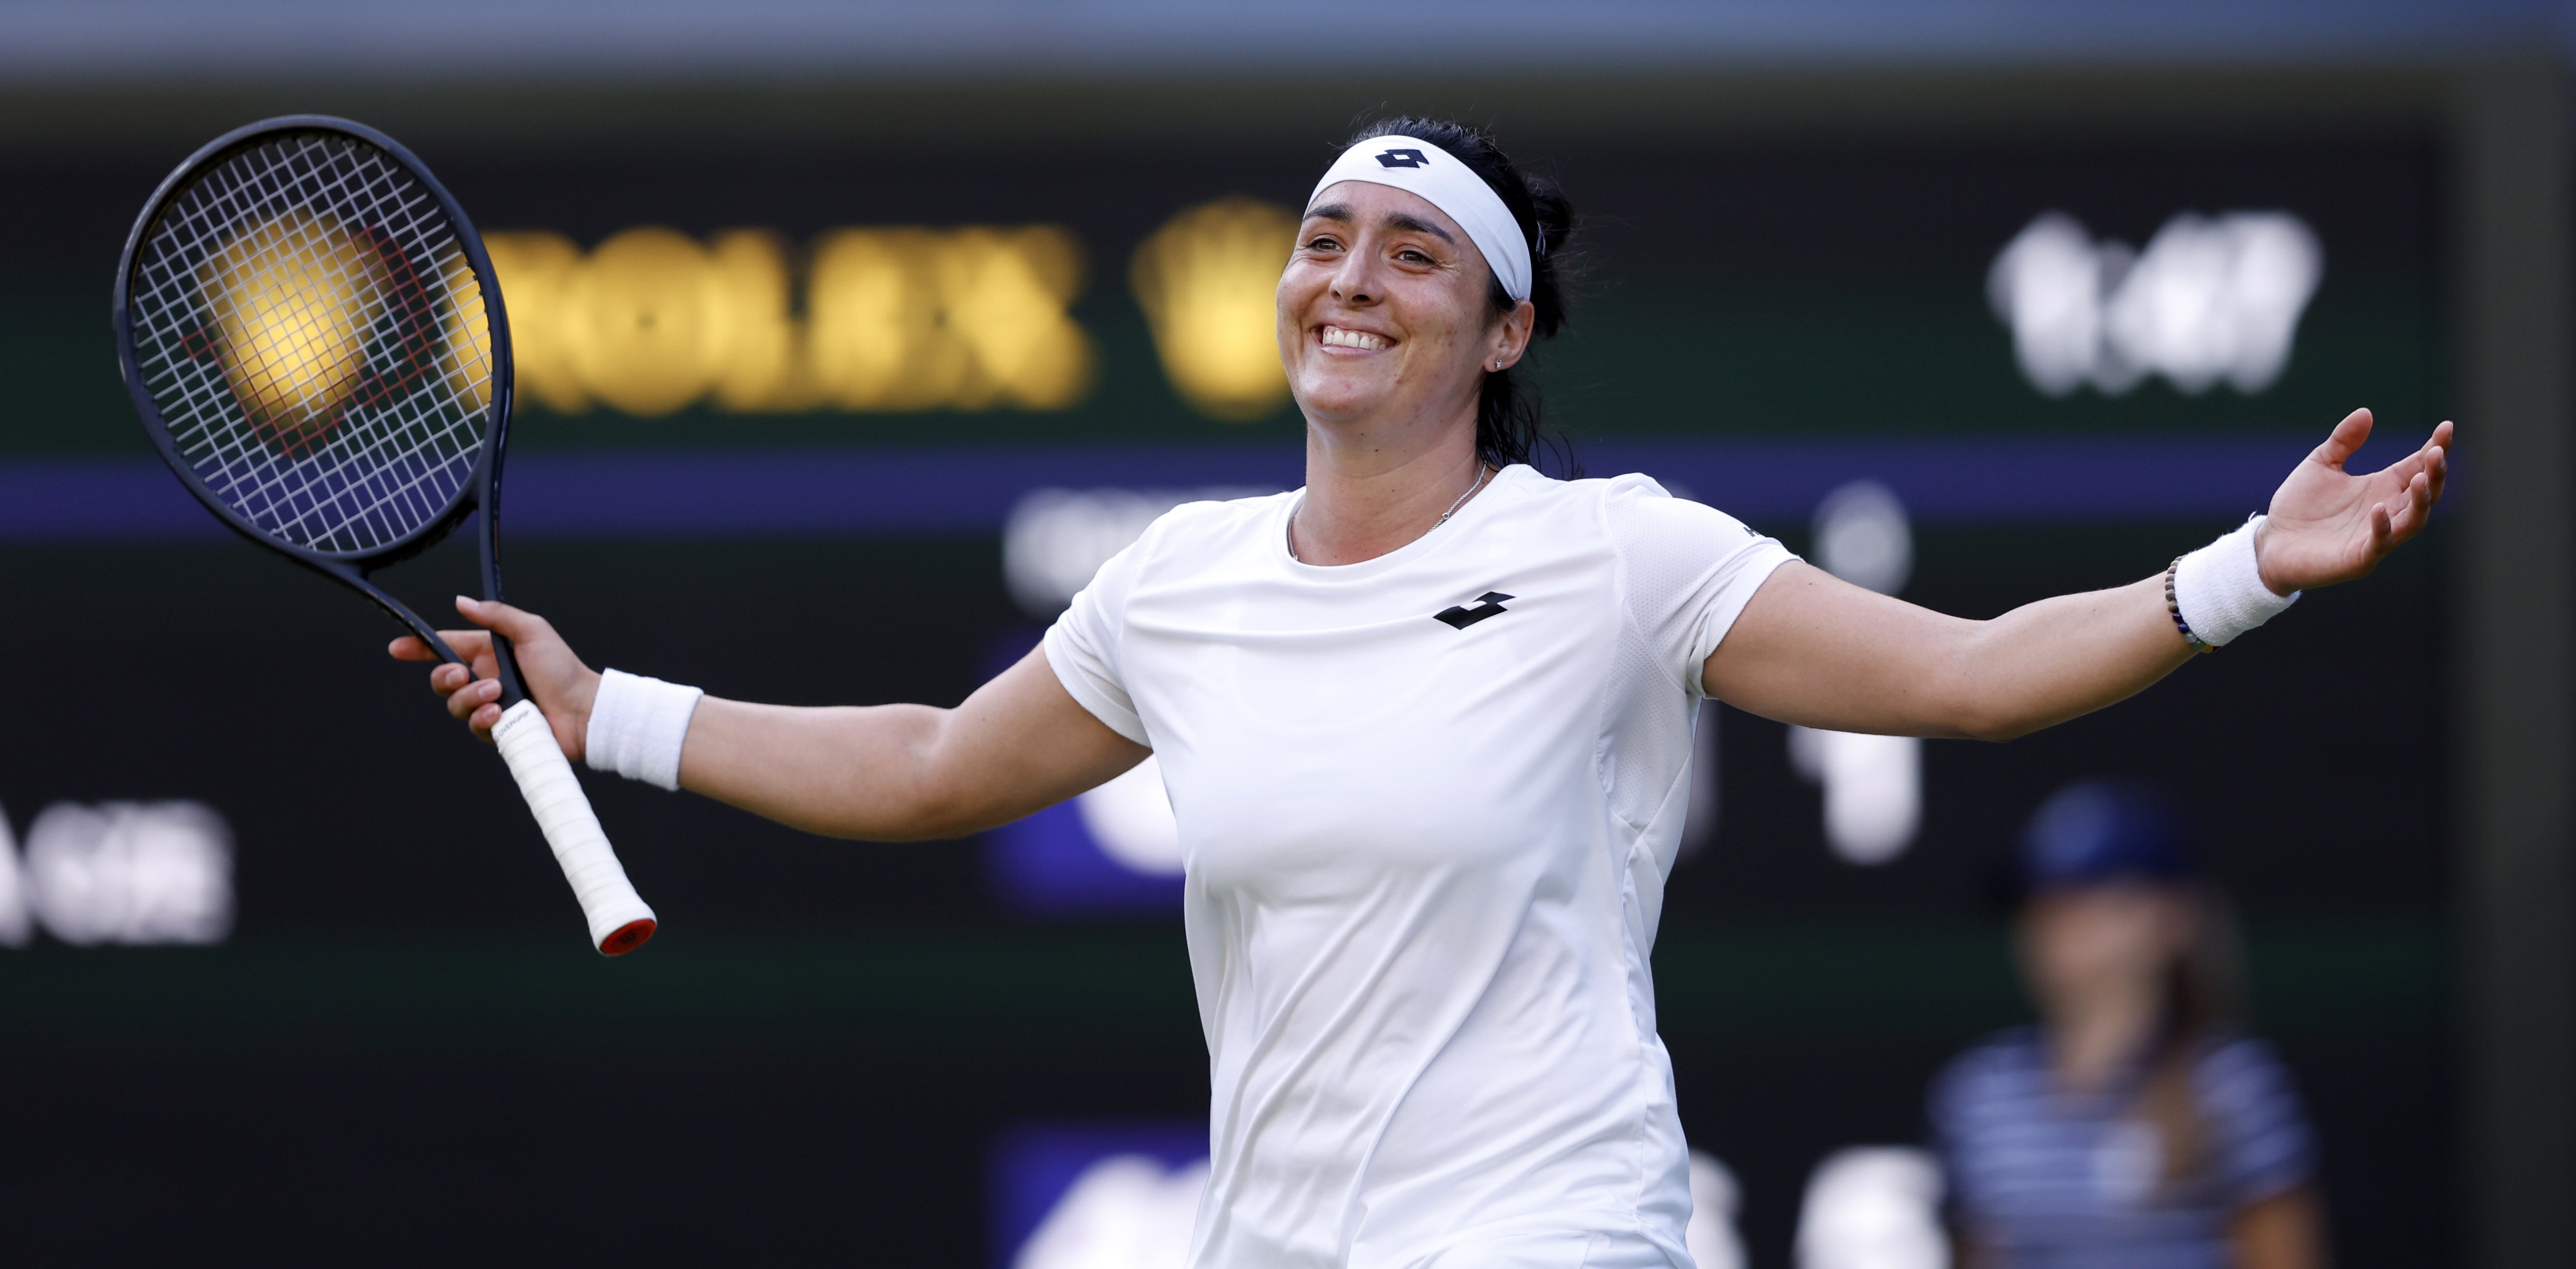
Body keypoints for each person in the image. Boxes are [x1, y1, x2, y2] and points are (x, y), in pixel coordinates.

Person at [395, 117, 2447, 1269]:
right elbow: (938, 767)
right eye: (1321, 241)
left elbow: (1977, 678)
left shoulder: (1613, 552)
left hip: (1550, 1232)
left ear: (1495, 331)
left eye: (1407, 255)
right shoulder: (1175, 584)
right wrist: (601, 714)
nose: (1345, 280)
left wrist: (2234, 575)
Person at [1932, 781, 2327, 1269]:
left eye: (2087, 898)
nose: (2055, 923)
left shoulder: (2231, 1085)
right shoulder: (1981, 1091)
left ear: (2171, 917)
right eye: (2039, 902)